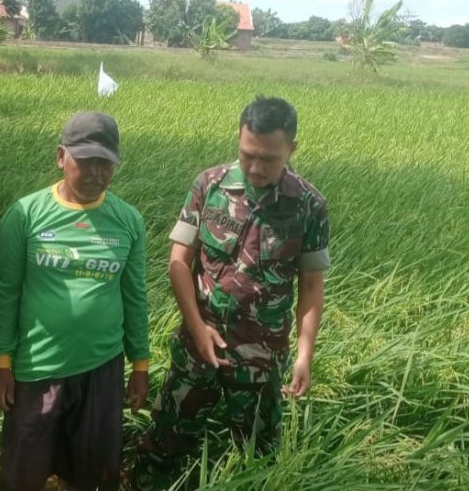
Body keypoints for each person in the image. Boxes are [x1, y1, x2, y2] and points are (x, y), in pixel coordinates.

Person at [131, 96, 331, 490]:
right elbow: (179, 262)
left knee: (258, 455)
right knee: (165, 442)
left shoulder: (309, 206)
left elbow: (311, 285)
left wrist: (304, 355)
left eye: (268, 159)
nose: (255, 168)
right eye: (247, 154)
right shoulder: (210, 185)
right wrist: (196, 326)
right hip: (197, 347)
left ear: (292, 148)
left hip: (261, 357)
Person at [0, 111, 150, 491]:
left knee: (92, 475)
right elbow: (7, 293)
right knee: (22, 475)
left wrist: (140, 364)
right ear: (61, 156)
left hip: (102, 368)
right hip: (37, 367)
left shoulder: (128, 221)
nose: (96, 173)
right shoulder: (25, 215)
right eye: (86, 161)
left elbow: (135, 296)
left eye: (105, 164)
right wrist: (1, 363)